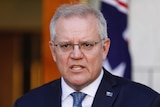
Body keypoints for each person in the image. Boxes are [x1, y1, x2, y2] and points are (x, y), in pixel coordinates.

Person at [14, 3, 160, 107]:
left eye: (87, 45)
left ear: (104, 48)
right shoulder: (28, 103)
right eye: (66, 45)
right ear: (53, 51)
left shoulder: (144, 101)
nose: (76, 55)